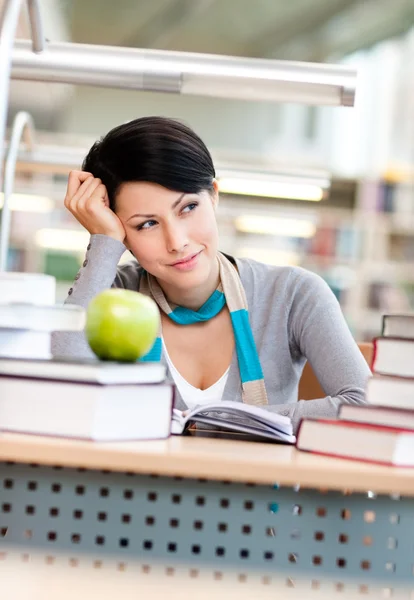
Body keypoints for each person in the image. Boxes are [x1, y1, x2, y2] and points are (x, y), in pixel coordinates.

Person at [51, 116, 371, 434]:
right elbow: (59, 396)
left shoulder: (293, 294)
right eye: (146, 224)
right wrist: (103, 244)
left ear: (214, 196)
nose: (177, 242)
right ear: (122, 232)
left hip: (258, 486)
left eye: (188, 208)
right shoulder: (111, 295)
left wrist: (214, 422)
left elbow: (364, 406)